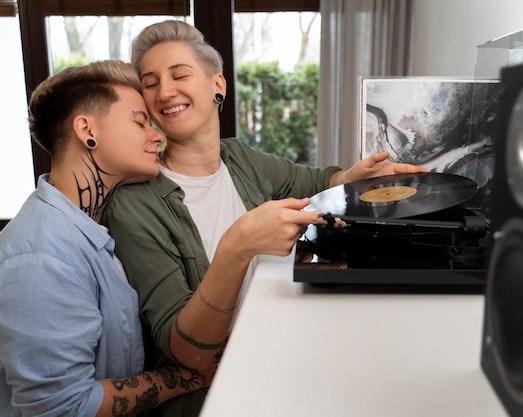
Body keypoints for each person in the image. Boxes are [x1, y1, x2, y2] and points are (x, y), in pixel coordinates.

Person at [101, 20, 428, 416]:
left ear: (217, 85)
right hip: (218, 398)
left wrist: (352, 178)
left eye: (179, 74)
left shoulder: (239, 157)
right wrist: (237, 247)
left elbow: (312, 180)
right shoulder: (133, 204)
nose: (165, 91)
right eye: (150, 83)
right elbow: (185, 348)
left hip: (283, 363)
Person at [0, 61, 211, 417]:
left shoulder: (93, 227)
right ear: (86, 130)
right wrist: (183, 377)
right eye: (139, 121)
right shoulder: (42, 256)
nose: (157, 136)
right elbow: (63, 407)